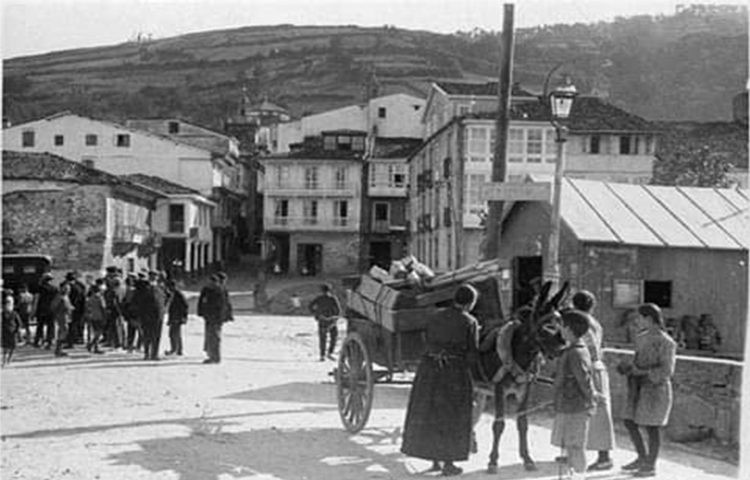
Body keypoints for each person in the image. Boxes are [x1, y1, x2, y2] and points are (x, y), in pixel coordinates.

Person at [401, 284, 479, 476]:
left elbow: (426, 340)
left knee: (432, 413)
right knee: (453, 415)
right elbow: (472, 354)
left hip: (429, 370)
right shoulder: (469, 321)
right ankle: (449, 463)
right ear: (470, 303)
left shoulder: (435, 316)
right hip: (453, 373)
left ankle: (435, 459)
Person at [616, 303, 676, 478]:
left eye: (639, 318)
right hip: (637, 387)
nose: (637, 322)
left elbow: (666, 371)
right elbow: (638, 361)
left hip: (655, 389)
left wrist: (642, 372)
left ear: (649, 319)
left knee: (652, 427)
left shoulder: (666, 342)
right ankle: (642, 457)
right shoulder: (641, 338)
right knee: (630, 422)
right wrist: (627, 367)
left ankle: (650, 465)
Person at [571, 291, 615, 472]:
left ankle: (604, 457)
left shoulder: (580, 324)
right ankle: (574, 452)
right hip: (595, 366)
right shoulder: (594, 322)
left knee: (597, 413)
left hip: (588, 367)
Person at [197, 274, 231, 364]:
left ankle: (215, 357)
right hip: (210, 317)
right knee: (210, 336)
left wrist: (224, 316)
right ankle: (211, 355)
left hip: (215, 318)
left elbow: (224, 305)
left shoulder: (219, 291)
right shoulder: (209, 290)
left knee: (215, 337)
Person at [308, 284, 341, 361]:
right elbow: (338, 310)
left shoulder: (319, 298)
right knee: (334, 337)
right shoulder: (332, 298)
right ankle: (330, 353)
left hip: (322, 319)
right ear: (329, 290)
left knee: (323, 338)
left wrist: (316, 314)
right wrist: (336, 318)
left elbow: (310, 306)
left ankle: (322, 355)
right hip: (331, 320)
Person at [33, 273, 58, 349]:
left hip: (41, 309)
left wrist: (33, 310)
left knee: (40, 326)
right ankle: (49, 341)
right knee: (51, 326)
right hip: (51, 309)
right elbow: (56, 300)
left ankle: (38, 341)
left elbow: (36, 299)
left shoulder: (40, 288)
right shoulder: (55, 288)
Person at [165, 279, 188, 356]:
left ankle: (176, 349)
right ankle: (177, 349)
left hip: (177, 317)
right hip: (173, 317)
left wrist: (183, 317)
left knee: (175, 334)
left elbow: (185, 306)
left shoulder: (178, 294)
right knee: (173, 334)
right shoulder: (173, 294)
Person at [51, 283, 74, 357]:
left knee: (63, 331)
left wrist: (70, 308)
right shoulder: (59, 297)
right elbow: (53, 306)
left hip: (66, 316)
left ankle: (59, 349)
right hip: (61, 316)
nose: (68, 290)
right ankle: (58, 349)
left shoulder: (66, 297)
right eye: (66, 289)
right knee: (64, 331)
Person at [84, 280, 107, 354]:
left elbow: (87, 308)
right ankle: (92, 345)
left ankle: (95, 347)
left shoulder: (90, 299)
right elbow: (103, 307)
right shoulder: (100, 298)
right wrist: (105, 316)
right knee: (99, 333)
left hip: (92, 316)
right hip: (100, 316)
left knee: (95, 332)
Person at [2, 290, 20, 366]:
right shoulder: (3, 314)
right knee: (6, 347)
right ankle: (5, 360)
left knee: (11, 346)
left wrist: (17, 330)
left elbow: (19, 323)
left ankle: (8, 359)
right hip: (6, 331)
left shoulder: (14, 313)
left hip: (12, 331)